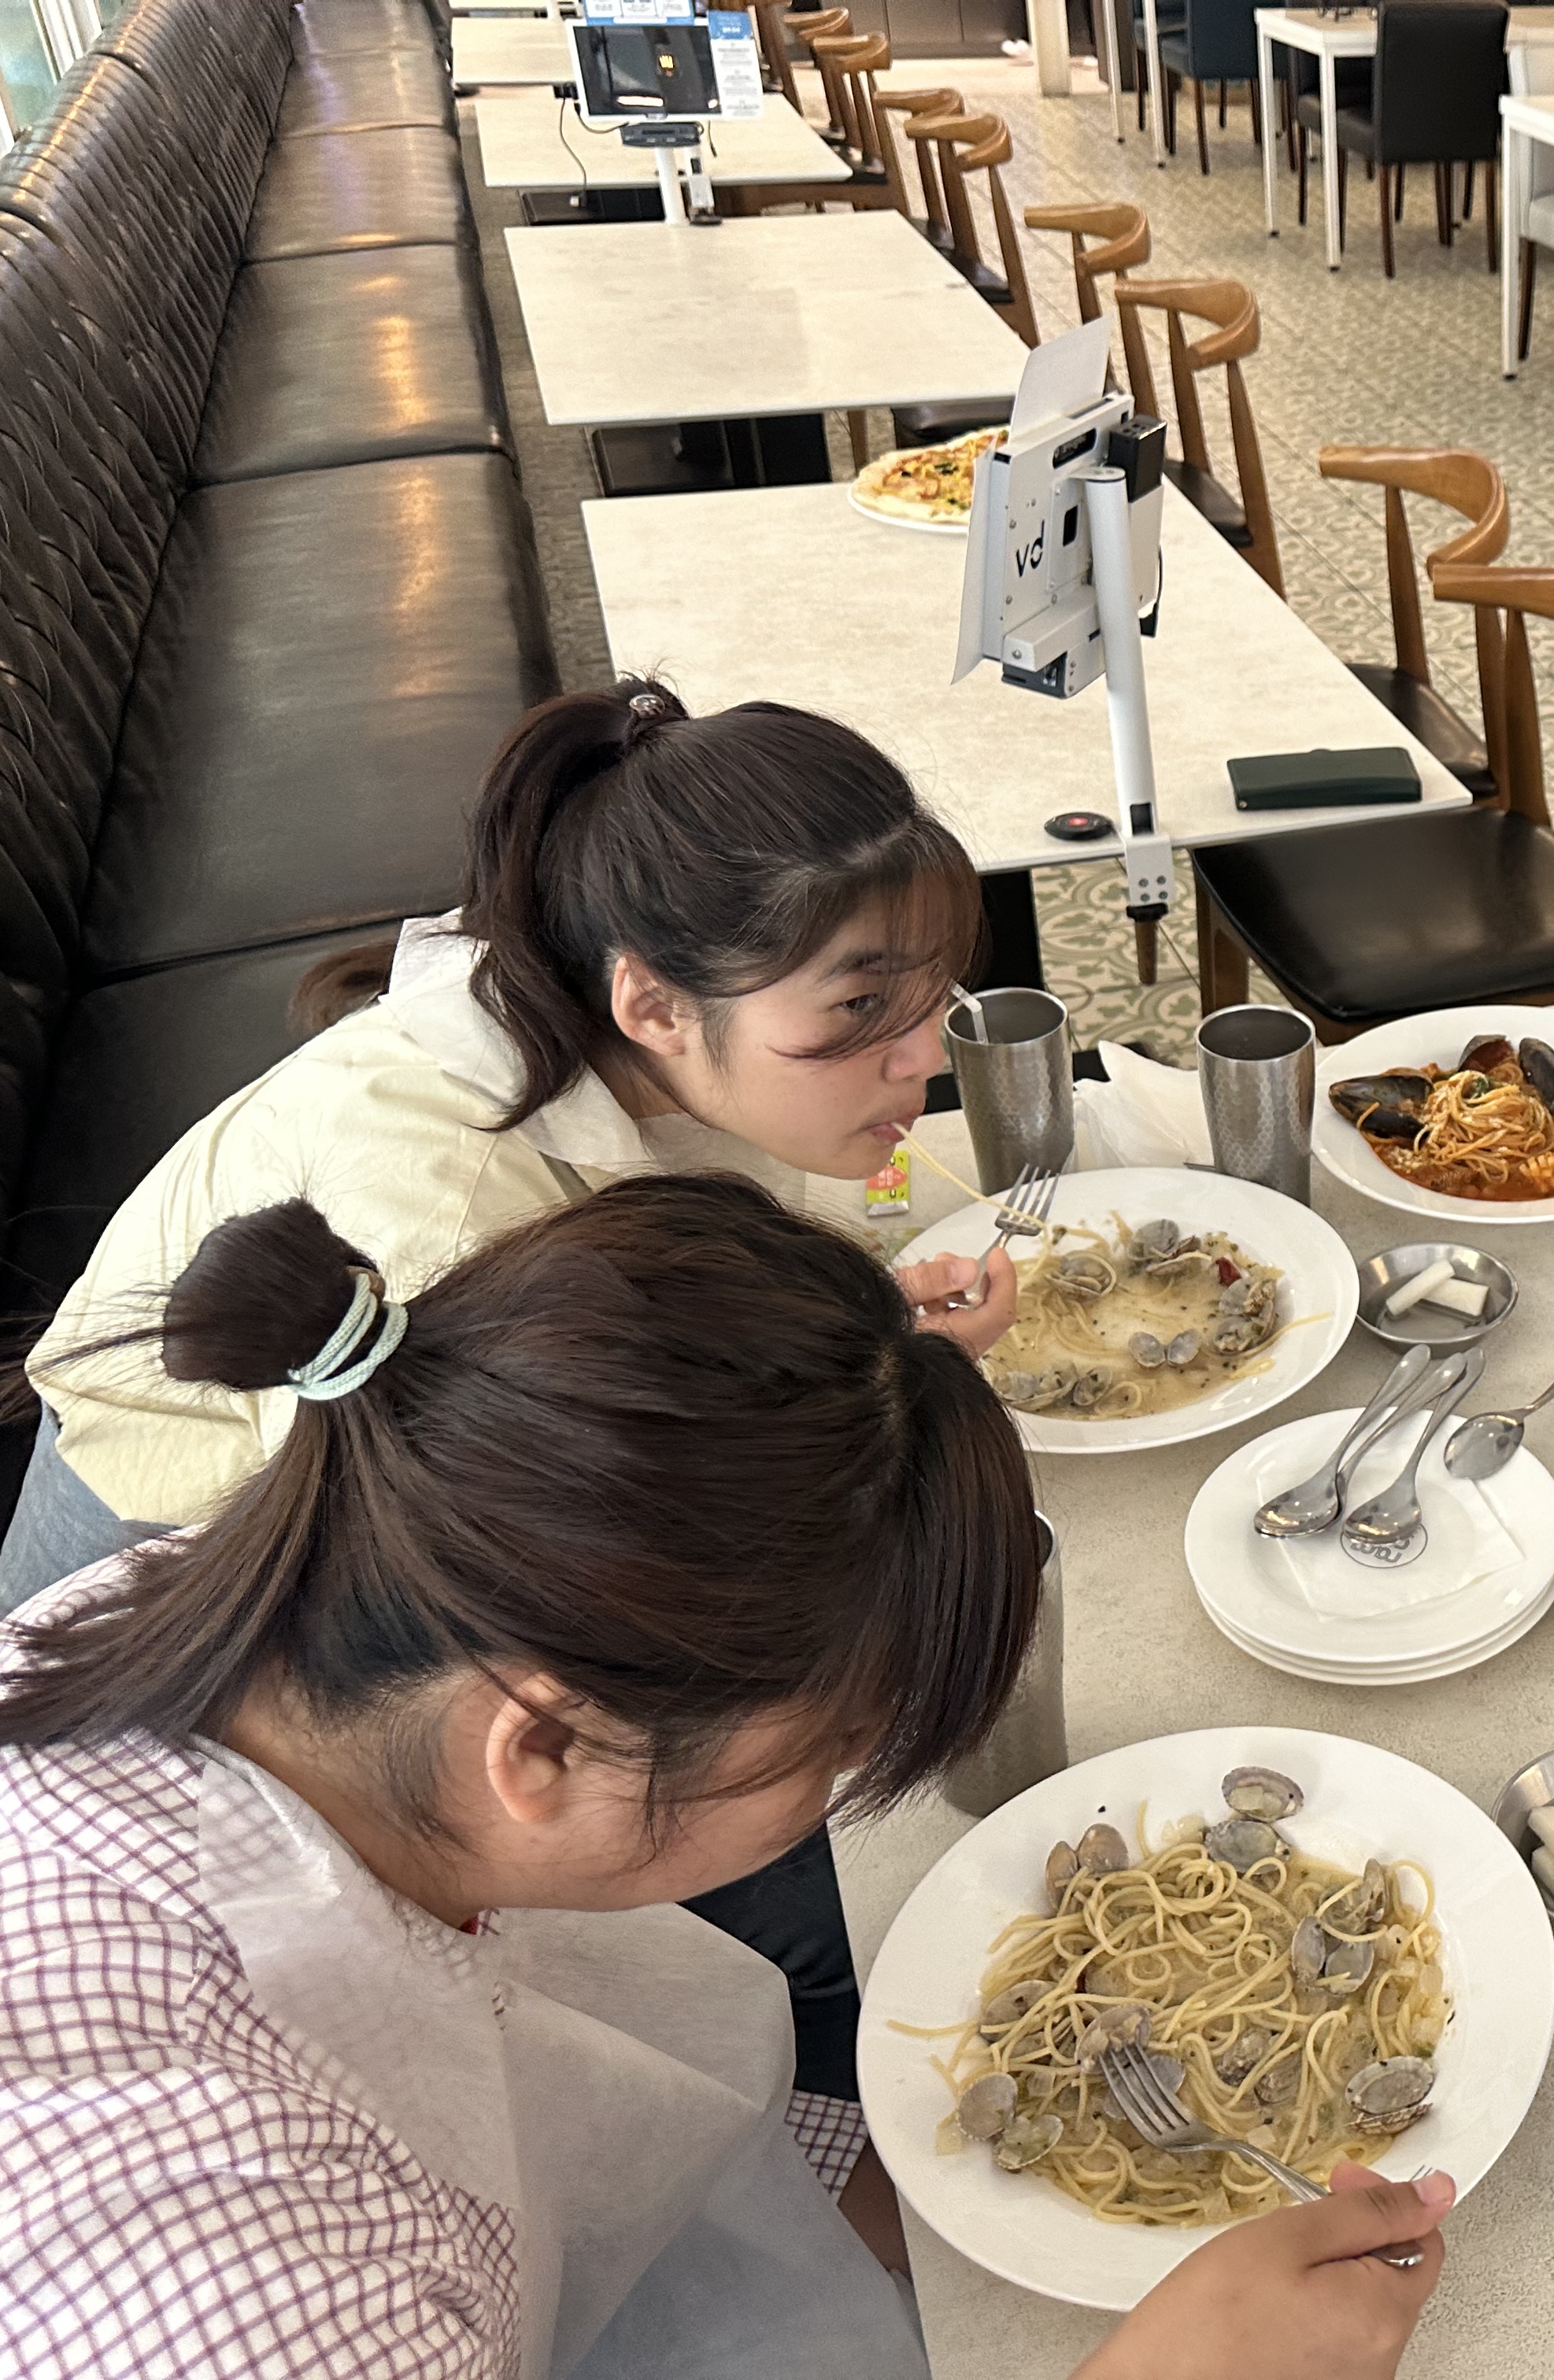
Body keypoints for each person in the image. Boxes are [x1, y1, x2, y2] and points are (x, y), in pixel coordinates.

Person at [0, 1177, 1454, 2378]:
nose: (840, 1790)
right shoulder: (227, 2275)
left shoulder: (294, 1609)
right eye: (833, 1749)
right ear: (544, 1749)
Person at [0, 680, 1020, 2212]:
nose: (922, 1062)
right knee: (779, 1860)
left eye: (933, 996)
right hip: (215, 1560)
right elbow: (568, 1600)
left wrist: (868, 1329)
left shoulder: (599, 1022)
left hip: (406, 1520)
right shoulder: (449, 1225)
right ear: (653, 1005)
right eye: (857, 1019)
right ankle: (839, 2158)